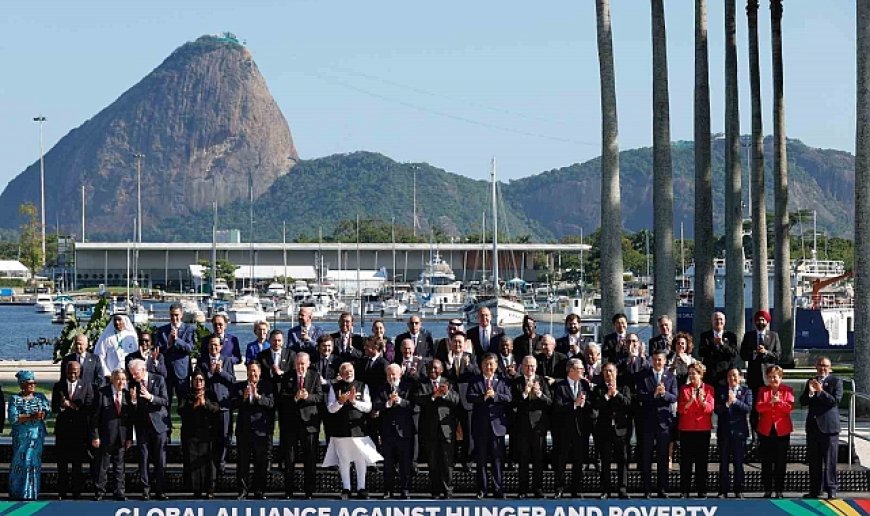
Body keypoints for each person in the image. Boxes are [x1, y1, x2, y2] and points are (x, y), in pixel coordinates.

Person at [323, 362, 383, 500]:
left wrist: (354, 402)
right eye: (345, 371)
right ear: (340, 373)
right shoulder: (335, 387)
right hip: (340, 430)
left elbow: (368, 407)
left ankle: (361, 488)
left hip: (359, 430)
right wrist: (341, 402)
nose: (348, 373)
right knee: (344, 461)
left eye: (350, 370)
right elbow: (330, 409)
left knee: (360, 460)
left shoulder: (362, 385)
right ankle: (346, 488)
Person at [278, 352, 323, 499]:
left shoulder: (315, 376)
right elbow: (282, 397)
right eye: (298, 364)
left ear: (308, 363)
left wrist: (307, 397)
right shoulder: (287, 376)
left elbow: (320, 396)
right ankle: (288, 491)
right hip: (291, 425)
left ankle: (309, 492)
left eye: (303, 363)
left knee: (310, 460)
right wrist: (295, 398)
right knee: (289, 460)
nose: (300, 366)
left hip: (309, 425)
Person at [466, 353, 512, 499]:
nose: (489, 367)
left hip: (497, 427)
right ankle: (482, 489)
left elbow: (509, 398)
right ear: (481, 365)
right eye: (486, 364)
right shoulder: (475, 381)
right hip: (480, 427)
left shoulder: (503, 381)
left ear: (496, 365)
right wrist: (484, 397)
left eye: (491, 364)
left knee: (497, 460)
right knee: (481, 461)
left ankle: (498, 489)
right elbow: (469, 397)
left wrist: (495, 396)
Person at [414, 359, 459, 499]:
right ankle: (435, 491)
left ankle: (448, 490)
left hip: (446, 429)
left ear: (441, 369)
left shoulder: (449, 382)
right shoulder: (422, 383)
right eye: (429, 368)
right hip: (429, 429)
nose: (432, 371)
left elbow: (457, 400)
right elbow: (418, 399)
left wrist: (445, 394)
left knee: (447, 462)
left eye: (435, 368)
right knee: (432, 462)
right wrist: (434, 396)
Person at [799, 356, 842, 499]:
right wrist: (811, 392)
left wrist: (821, 391)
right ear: (816, 367)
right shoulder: (811, 381)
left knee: (830, 461)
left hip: (829, 428)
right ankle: (815, 490)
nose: (822, 368)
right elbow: (803, 401)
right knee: (814, 461)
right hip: (813, 427)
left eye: (825, 366)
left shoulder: (836, 381)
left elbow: (834, 401)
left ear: (830, 368)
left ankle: (831, 490)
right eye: (820, 365)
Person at [636, 349, 678, 498]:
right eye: (655, 360)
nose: (657, 362)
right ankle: (647, 489)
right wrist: (653, 394)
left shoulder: (671, 377)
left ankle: (662, 489)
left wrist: (663, 394)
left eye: (660, 360)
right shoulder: (644, 376)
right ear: (651, 360)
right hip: (648, 422)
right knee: (646, 457)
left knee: (662, 457)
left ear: (665, 361)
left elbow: (674, 396)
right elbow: (639, 395)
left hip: (664, 424)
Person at [128, 358, 170, 500]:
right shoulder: (132, 384)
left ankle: (160, 490)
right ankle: (145, 489)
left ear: (143, 370)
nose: (133, 377)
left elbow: (165, 401)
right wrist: (133, 400)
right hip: (142, 427)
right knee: (143, 459)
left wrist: (150, 397)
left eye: (135, 373)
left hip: (159, 426)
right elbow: (131, 410)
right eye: (132, 374)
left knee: (160, 459)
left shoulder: (158, 379)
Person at [52, 361, 95, 500]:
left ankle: (77, 492)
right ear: (66, 372)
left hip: (79, 430)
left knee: (77, 463)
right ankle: (62, 492)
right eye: (70, 372)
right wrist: (62, 406)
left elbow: (89, 407)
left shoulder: (86, 386)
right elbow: (54, 408)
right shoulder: (58, 386)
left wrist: (73, 406)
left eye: (75, 372)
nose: (73, 374)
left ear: (80, 372)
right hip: (63, 430)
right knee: (62, 463)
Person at [373, 364, 416, 499]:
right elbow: (375, 405)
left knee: (405, 463)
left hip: (404, 431)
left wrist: (400, 401)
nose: (391, 377)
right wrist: (388, 404)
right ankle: (388, 490)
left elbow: (414, 405)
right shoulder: (381, 388)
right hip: (387, 432)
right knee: (388, 464)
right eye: (389, 374)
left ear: (400, 374)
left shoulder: (408, 387)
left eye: (394, 374)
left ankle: (405, 490)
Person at [511, 355, 551, 499]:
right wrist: (525, 393)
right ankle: (522, 490)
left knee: (538, 459)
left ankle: (538, 488)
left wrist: (539, 393)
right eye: (527, 366)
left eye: (532, 366)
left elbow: (549, 402)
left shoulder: (542, 381)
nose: (530, 369)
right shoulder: (516, 382)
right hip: (522, 427)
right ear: (522, 367)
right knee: (523, 460)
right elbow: (513, 403)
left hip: (539, 427)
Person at [233, 362, 275, 500]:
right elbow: (232, 404)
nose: (252, 374)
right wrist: (243, 398)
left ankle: (259, 491)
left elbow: (271, 403)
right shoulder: (240, 386)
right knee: (243, 464)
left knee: (260, 463)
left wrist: (258, 397)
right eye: (250, 371)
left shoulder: (267, 386)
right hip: (244, 431)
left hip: (261, 431)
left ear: (260, 372)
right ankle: (243, 491)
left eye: (255, 371)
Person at [7, 370, 51, 500]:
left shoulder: (40, 397)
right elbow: (13, 418)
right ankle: (18, 491)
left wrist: (41, 415)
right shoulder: (15, 399)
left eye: (34, 383)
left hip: (36, 436)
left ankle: (31, 492)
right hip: (21, 437)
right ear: (22, 384)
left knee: (33, 462)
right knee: (21, 462)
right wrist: (31, 416)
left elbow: (45, 412)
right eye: (29, 383)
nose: (32, 386)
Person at [590, 362, 632, 499]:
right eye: (606, 371)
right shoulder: (599, 389)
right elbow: (596, 406)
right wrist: (607, 396)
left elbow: (628, 404)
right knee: (605, 460)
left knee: (622, 460)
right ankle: (606, 489)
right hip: (604, 429)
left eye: (611, 371)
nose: (609, 374)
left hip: (621, 429)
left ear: (616, 372)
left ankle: (622, 488)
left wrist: (616, 394)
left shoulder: (624, 388)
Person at [91, 368, 134, 501]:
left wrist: (129, 438)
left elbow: (131, 419)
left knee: (120, 466)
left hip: (121, 436)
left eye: (123, 379)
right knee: (102, 466)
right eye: (118, 379)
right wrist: (95, 436)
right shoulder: (102, 394)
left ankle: (119, 492)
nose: (121, 382)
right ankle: (100, 492)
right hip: (105, 436)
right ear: (112, 380)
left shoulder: (128, 395)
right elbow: (94, 417)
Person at [197, 334, 236, 476]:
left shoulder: (227, 361)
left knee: (225, 436)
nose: (213, 347)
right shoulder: (202, 362)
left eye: (216, 345)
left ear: (221, 347)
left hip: (224, 405)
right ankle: (210, 464)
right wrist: (211, 372)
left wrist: (222, 372)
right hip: (208, 405)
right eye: (211, 345)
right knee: (209, 436)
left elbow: (232, 380)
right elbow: (199, 380)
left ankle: (222, 463)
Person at [177, 370, 220, 499]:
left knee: (208, 464)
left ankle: (210, 489)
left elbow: (216, 409)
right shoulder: (187, 394)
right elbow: (180, 410)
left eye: (201, 380)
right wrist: (195, 405)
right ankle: (196, 490)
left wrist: (205, 403)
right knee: (193, 463)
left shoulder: (210, 393)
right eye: (196, 380)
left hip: (207, 434)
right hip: (191, 435)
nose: (198, 382)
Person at [552, 358, 591, 498]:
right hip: (564, 429)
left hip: (580, 428)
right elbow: (557, 406)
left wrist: (584, 404)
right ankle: (559, 487)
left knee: (578, 460)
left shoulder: (584, 385)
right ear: (571, 370)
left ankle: (576, 488)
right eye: (580, 369)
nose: (583, 371)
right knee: (561, 459)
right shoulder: (560, 386)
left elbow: (590, 405)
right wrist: (574, 404)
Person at [441, 331, 479, 470]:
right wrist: (450, 366)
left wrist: (468, 365)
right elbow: (443, 378)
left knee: (468, 433)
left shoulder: (470, 357)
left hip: (466, 400)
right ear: (450, 343)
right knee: (449, 432)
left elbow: (477, 374)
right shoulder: (446, 359)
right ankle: (450, 460)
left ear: (464, 344)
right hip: (450, 401)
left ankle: (467, 462)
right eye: (455, 341)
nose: (457, 344)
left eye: (460, 342)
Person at [756, 365, 794, 499]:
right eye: (770, 377)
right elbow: (759, 408)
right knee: (766, 461)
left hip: (782, 430)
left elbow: (789, 408)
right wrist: (770, 403)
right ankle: (767, 489)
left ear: (780, 377)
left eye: (775, 377)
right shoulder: (763, 390)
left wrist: (779, 402)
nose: (772, 379)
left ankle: (779, 489)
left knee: (780, 461)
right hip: (766, 430)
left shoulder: (787, 390)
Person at [714, 367, 752, 498]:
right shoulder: (720, 391)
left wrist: (735, 401)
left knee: (738, 463)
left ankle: (738, 490)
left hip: (739, 433)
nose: (732, 378)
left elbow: (747, 408)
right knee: (723, 463)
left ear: (740, 377)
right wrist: (726, 404)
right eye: (730, 376)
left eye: (735, 376)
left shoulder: (746, 391)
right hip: (724, 433)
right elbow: (717, 410)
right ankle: (723, 490)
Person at [677, 362, 714, 498]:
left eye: (694, 373)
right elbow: (680, 409)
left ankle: (701, 490)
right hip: (687, 429)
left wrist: (702, 401)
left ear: (701, 374)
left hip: (702, 429)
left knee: (701, 462)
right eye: (690, 373)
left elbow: (710, 409)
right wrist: (690, 401)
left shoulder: (709, 389)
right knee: (686, 461)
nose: (692, 376)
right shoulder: (684, 389)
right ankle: (684, 490)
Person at [740, 310, 781, 433]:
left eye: (763, 320)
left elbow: (778, 355)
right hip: (754, 378)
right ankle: (754, 434)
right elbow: (742, 354)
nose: (761, 322)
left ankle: (768, 432)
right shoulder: (749, 336)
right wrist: (754, 353)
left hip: (769, 378)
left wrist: (766, 352)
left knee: (768, 406)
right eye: (758, 320)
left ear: (767, 321)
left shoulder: (774, 336)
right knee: (754, 408)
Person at [155, 302, 196, 406]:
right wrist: (168, 344)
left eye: (176, 315)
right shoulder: (162, 330)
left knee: (184, 404)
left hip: (182, 372)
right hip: (166, 372)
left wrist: (177, 340)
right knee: (165, 403)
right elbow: (157, 350)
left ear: (181, 314)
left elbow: (189, 348)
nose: (174, 318)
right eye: (172, 315)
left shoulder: (189, 329)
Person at [698, 312, 740, 388]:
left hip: (725, 375)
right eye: (716, 319)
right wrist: (713, 345)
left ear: (724, 321)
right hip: (710, 375)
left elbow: (734, 353)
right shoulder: (705, 335)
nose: (718, 321)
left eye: (721, 319)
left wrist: (722, 344)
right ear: (712, 321)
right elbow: (701, 352)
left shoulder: (731, 336)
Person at [94, 314, 138, 380]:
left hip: (129, 376)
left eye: (119, 320)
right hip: (111, 375)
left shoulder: (132, 336)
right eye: (115, 320)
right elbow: (99, 356)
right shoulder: (107, 336)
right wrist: (107, 373)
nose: (117, 322)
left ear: (125, 321)